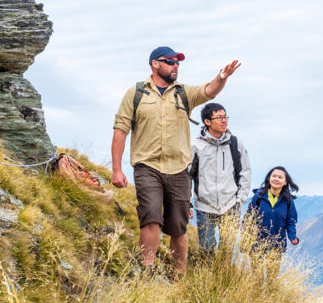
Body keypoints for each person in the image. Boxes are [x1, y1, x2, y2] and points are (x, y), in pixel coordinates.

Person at [111, 46, 241, 275]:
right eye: (170, 62)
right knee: (150, 216)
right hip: (146, 166)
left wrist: (222, 77)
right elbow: (120, 130)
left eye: (177, 63)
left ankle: (179, 274)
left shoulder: (183, 93)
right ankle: (147, 270)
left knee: (179, 226)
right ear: (155, 64)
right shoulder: (136, 93)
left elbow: (209, 91)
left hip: (179, 169)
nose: (175, 66)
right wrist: (116, 170)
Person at [189, 102, 251, 255]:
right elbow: (186, 175)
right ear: (207, 122)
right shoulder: (196, 145)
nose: (224, 121)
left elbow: (245, 171)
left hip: (231, 205)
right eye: (219, 118)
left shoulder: (235, 144)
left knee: (227, 252)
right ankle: (208, 279)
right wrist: (187, 202)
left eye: (225, 117)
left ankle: (224, 279)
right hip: (204, 206)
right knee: (206, 250)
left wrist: (240, 199)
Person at [247, 166, 299, 256]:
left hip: (277, 245)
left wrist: (292, 237)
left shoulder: (288, 201)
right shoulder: (258, 197)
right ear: (269, 178)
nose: (276, 179)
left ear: (285, 182)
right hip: (256, 244)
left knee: (273, 270)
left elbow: (291, 221)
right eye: (274, 176)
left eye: (280, 177)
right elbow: (248, 218)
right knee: (256, 270)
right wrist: (245, 238)